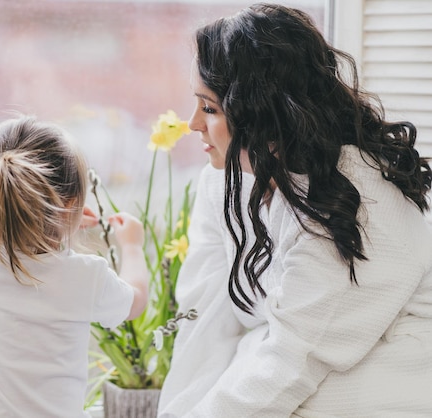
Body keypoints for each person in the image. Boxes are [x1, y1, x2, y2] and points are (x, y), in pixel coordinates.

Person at [159, 3, 432, 417]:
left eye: (210, 108)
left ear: (259, 111)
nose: (193, 123)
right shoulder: (227, 183)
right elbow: (205, 324)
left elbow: (294, 358)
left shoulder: (355, 199)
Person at [0, 115, 149, 417]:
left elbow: (10, 226)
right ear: (68, 206)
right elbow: (135, 301)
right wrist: (133, 246)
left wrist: (57, 220)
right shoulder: (86, 276)